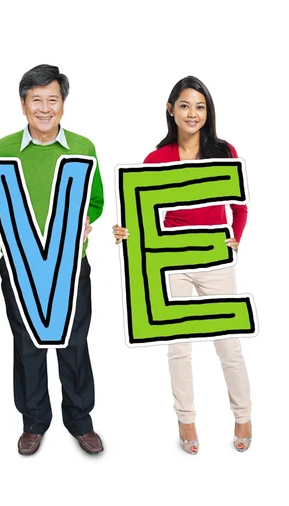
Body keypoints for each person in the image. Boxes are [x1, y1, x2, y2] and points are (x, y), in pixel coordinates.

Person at [113, 76, 252, 454]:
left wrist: (234, 237)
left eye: (200, 106)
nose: (193, 114)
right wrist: (126, 233)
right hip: (171, 261)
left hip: (212, 258)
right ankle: (186, 419)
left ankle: (243, 414)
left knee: (228, 343)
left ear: (208, 113)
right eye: (186, 105)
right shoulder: (156, 159)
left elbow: (238, 205)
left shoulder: (223, 151)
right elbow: (139, 213)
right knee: (178, 345)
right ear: (170, 108)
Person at [0, 64, 105, 455]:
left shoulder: (83, 148)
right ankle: (34, 421)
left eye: (53, 99)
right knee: (27, 343)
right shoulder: (2, 149)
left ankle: (80, 421)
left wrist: (87, 219)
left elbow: (96, 199)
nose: (45, 108)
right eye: (37, 100)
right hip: (20, 266)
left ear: (63, 105)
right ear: (23, 105)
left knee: (74, 343)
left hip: (69, 265)